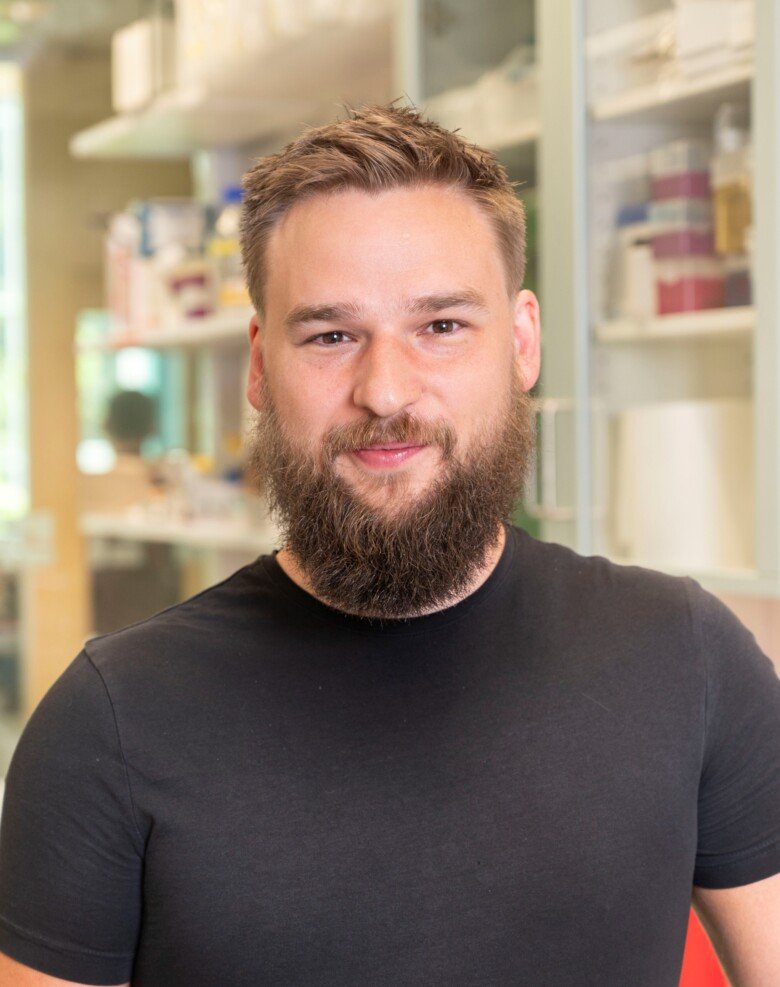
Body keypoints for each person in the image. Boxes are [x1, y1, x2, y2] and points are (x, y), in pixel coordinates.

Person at [0, 103, 777, 986]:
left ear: (522, 342)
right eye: (331, 335)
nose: (386, 389)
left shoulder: (686, 657)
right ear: (260, 365)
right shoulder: (110, 724)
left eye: (441, 325)